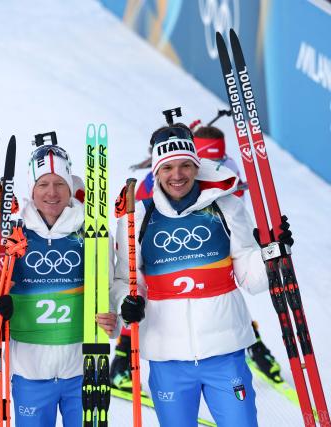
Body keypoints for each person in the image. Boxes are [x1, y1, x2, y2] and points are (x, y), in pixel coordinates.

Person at [101, 123, 294, 427]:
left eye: (185, 166)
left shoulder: (226, 208)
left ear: (196, 166)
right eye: (168, 168)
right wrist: (127, 302)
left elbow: (251, 278)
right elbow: (126, 280)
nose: (177, 175)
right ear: (156, 172)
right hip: (167, 358)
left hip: (226, 353)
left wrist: (273, 253)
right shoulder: (137, 218)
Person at [2, 142, 117, 426]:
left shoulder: (92, 231)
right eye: (43, 184)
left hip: (83, 368)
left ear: (69, 186)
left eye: (59, 184)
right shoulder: (14, 233)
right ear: (31, 189)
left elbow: (111, 286)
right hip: (29, 371)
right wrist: (0, 300)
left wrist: (115, 316)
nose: (51, 193)